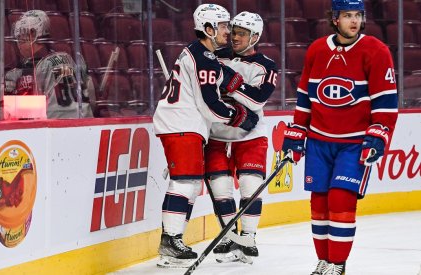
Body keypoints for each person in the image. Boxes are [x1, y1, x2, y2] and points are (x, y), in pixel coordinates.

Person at [281, 1, 398, 274]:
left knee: (340, 200)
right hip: (320, 142)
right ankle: (324, 261)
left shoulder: (376, 51)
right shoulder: (317, 49)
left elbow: (386, 102)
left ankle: (338, 264)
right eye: (347, 16)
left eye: (358, 15)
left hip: (354, 144)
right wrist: (298, 129)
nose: (354, 21)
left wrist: (380, 133)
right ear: (335, 19)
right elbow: (304, 96)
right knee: (319, 203)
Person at [153, 3, 258, 268]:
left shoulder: (202, 54)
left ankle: (172, 241)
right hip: (181, 125)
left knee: (187, 182)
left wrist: (235, 82)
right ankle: (170, 241)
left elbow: (221, 77)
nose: (227, 31)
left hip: (182, 124)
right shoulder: (203, 57)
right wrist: (240, 116)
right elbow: (211, 105)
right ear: (208, 28)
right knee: (185, 181)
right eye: (222, 26)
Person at [205, 11, 277, 264]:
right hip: (216, 132)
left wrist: (229, 82)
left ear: (254, 37)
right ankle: (229, 239)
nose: (235, 37)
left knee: (250, 186)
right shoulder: (215, 57)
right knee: (220, 188)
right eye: (233, 31)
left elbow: (257, 100)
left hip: (250, 134)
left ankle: (248, 238)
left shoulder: (266, 66)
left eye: (242, 34)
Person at [5, 10, 94, 119]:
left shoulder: (40, 67)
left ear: (34, 35)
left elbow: (29, 112)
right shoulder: (70, 58)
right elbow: (90, 92)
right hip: (86, 122)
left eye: (22, 38)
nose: (19, 44)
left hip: (56, 126)